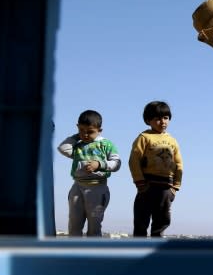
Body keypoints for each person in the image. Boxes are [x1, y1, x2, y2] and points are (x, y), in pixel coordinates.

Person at [57, 109, 121, 237]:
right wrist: (77, 136)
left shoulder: (106, 145)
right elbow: (63, 148)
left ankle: (94, 253)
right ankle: (74, 253)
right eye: (82, 130)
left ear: (99, 130)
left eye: (90, 132)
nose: (85, 135)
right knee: (74, 223)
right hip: (78, 187)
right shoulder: (78, 145)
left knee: (94, 225)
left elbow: (117, 163)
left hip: (97, 189)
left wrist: (99, 165)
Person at [129, 101, 183, 237]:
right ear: (148, 120)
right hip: (147, 186)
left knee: (162, 221)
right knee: (141, 220)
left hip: (166, 188)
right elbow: (134, 161)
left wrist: (175, 187)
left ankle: (155, 251)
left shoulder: (173, 140)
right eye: (157, 118)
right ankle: (138, 251)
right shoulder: (144, 138)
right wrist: (140, 182)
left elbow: (179, 164)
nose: (162, 122)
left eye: (165, 118)